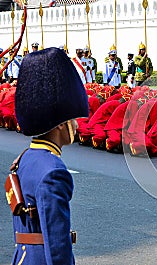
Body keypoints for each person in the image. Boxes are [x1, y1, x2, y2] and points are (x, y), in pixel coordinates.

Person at [11, 47, 88, 264]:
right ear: (61, 124)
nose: (76, 124)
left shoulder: (25, 158)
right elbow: (57, 244)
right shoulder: (53, 171)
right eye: (73, 119)